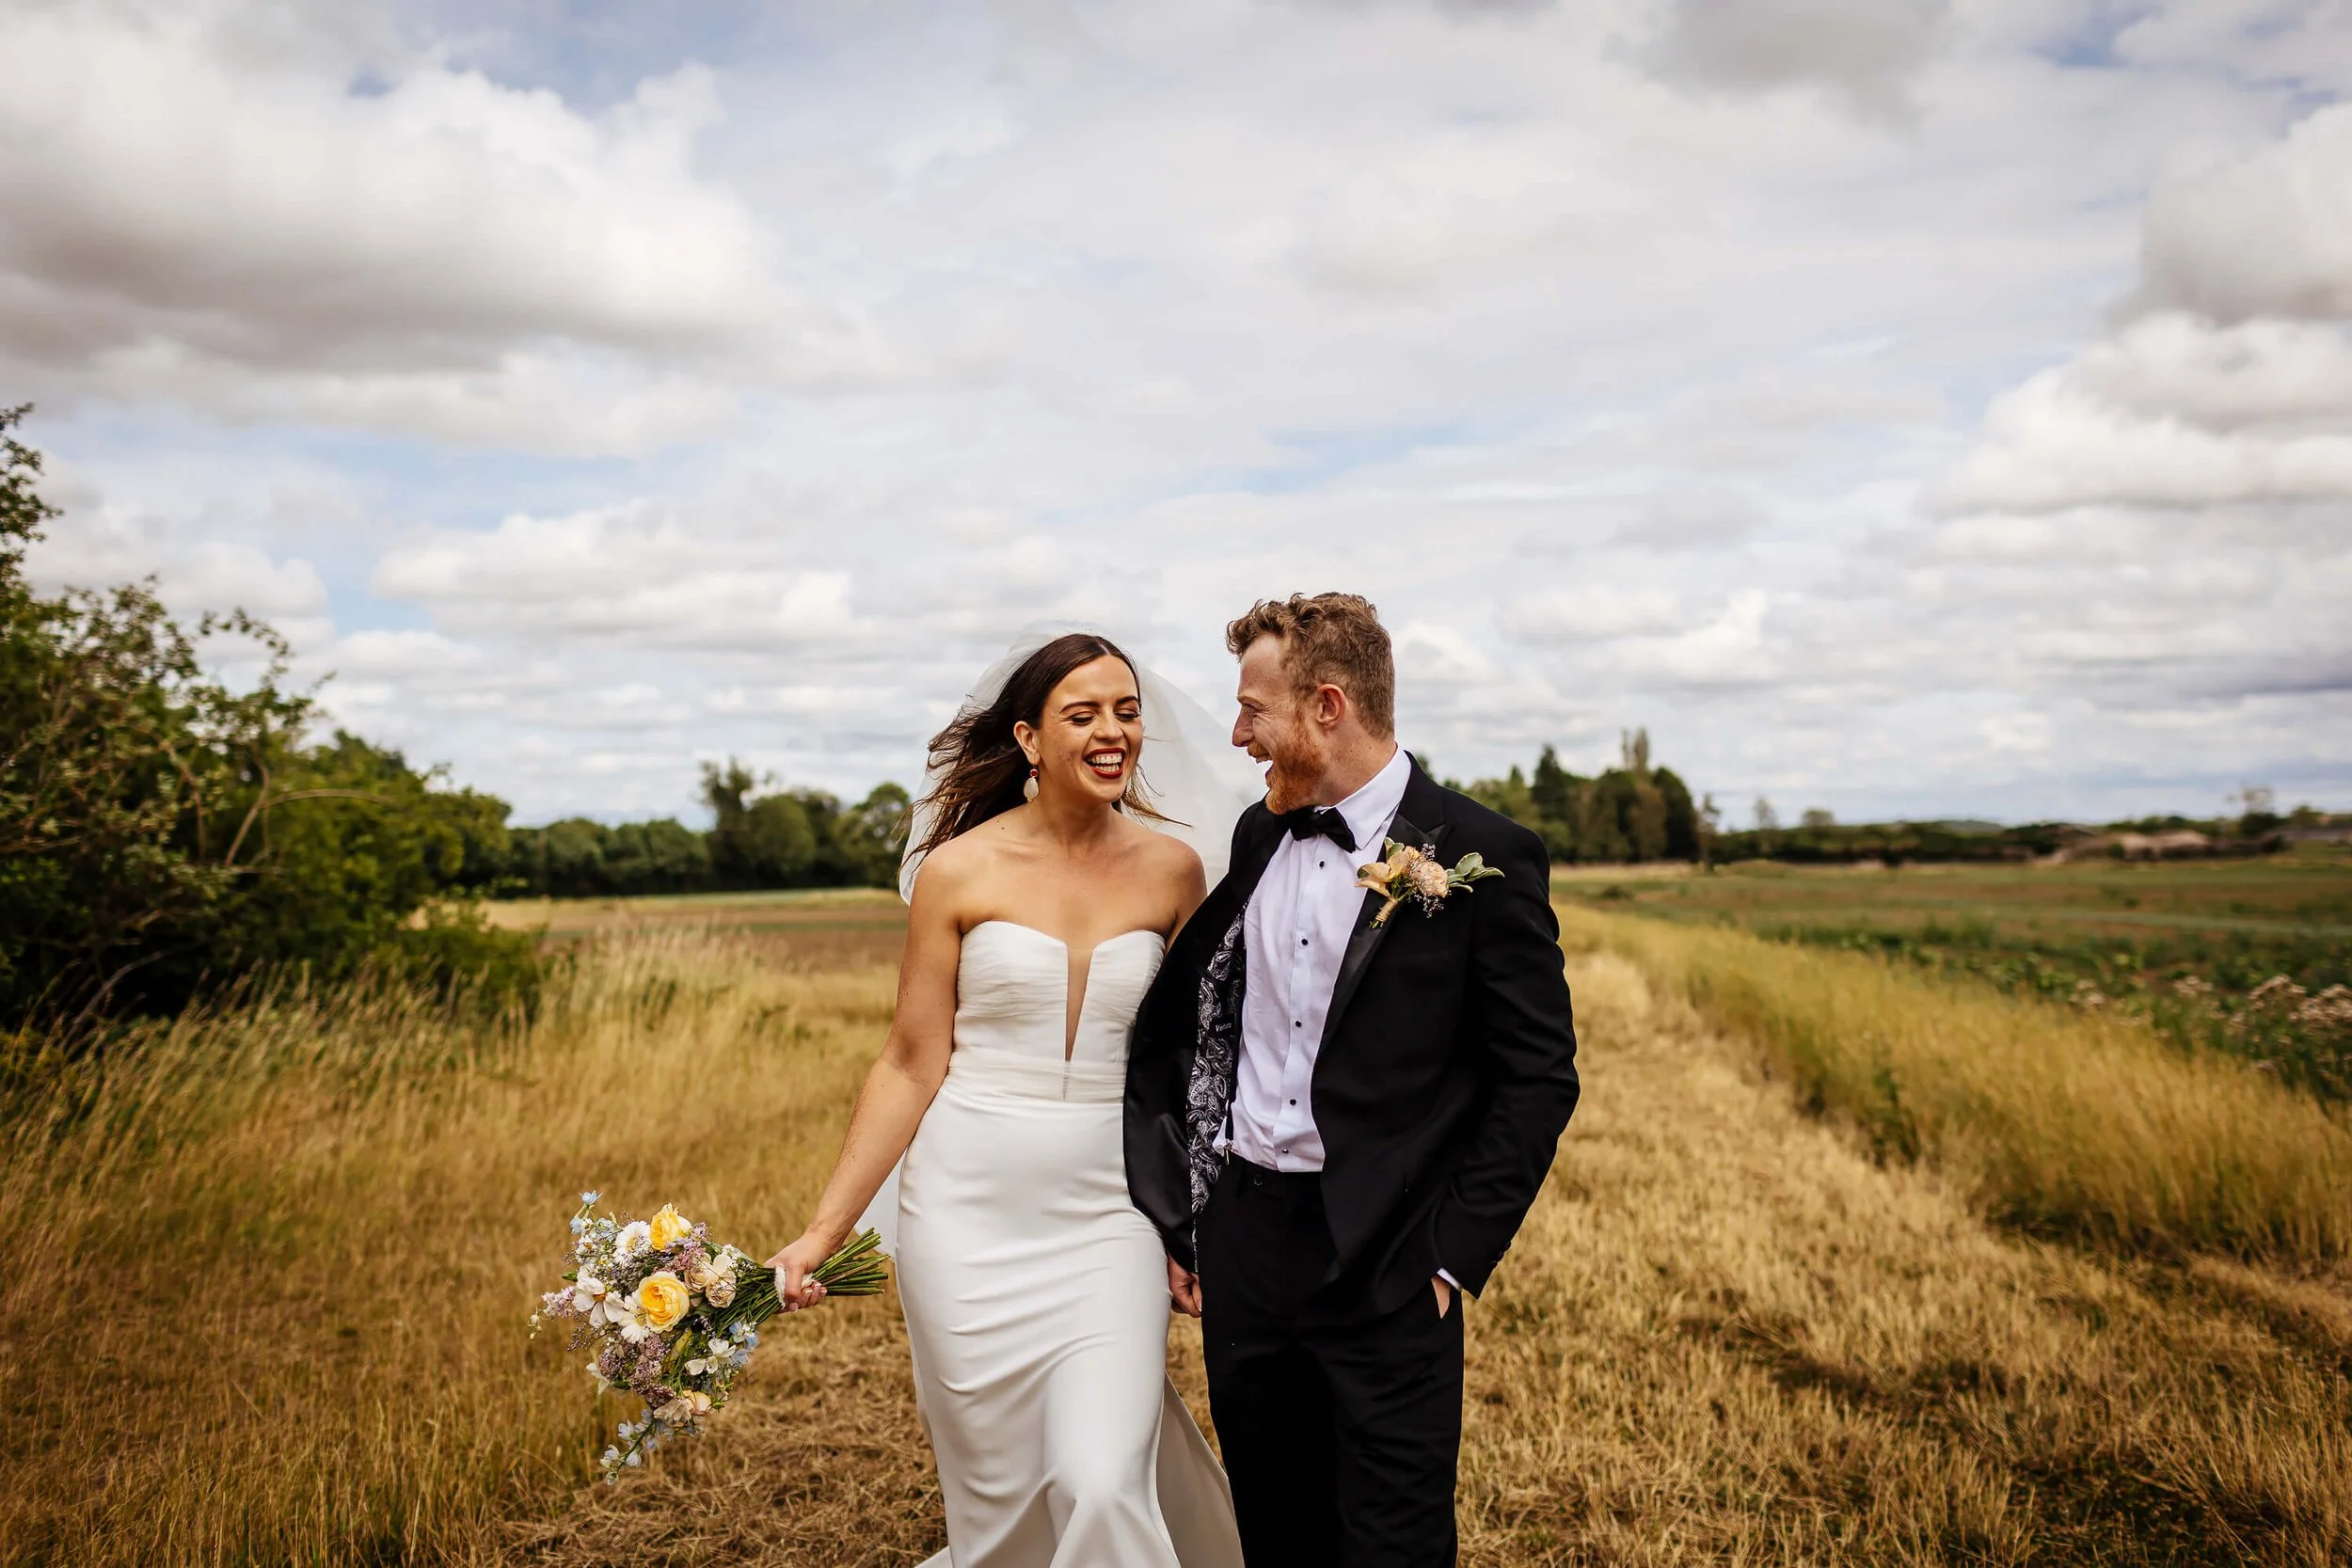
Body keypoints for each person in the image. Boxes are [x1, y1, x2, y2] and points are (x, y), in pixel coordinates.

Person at [767, 630, 1247, 1568]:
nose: (1114, 731)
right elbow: (909, 1061)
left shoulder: (1174, 871)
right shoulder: (958, 871)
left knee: (1103, 1475)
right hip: (965, 1210)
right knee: (1001, 1507)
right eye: (1084, 713)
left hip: (1112, 1206)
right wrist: (824, 1231)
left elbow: (1200, 1063)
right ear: (1029, 737)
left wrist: (1198, 1221)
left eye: (1127, 709)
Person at [1124, 593, 1581, 1567]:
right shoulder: (1256, 837)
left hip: (1388, 1257)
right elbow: (1197, 1030)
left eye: (1254, 710)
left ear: (1326, 705)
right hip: (1246, 1244)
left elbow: (1537, 1077)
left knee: (1392, 1540)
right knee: (1277, 1527)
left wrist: (1452, 1254)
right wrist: (1192, 1211)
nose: (1237, 734)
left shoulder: (1480, 854)